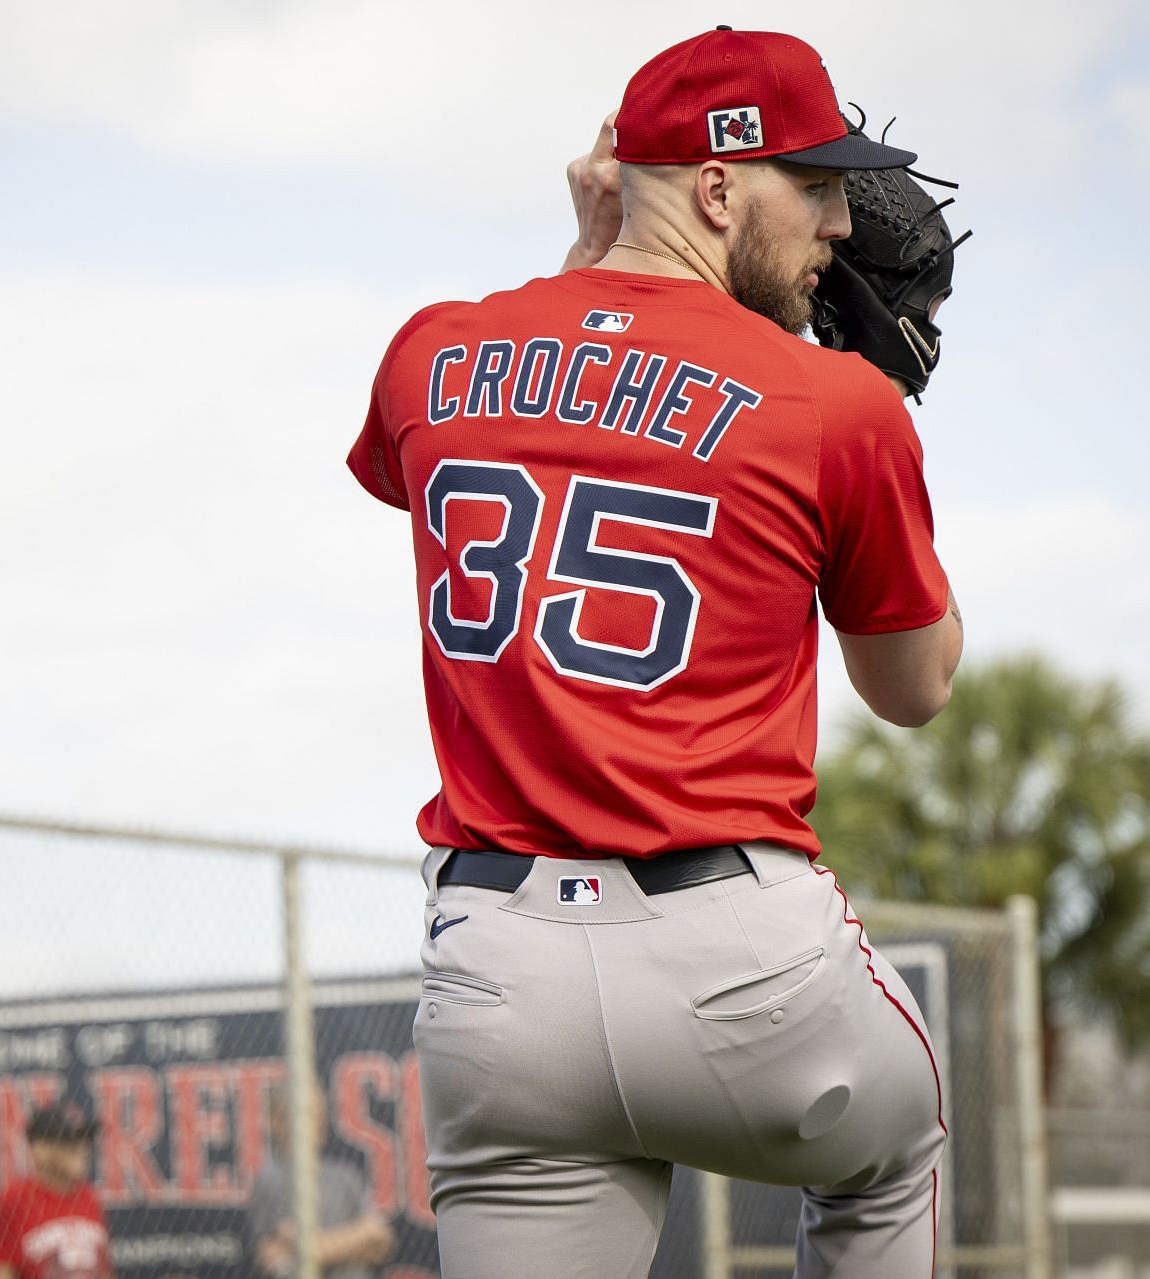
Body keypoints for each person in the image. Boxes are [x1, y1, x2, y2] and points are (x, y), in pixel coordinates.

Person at [344, 27, 963, 1279]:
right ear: (723, 188)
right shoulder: (835, 406)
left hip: (500, 979)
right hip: (741, 969)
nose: (844, 223)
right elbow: (915, 688)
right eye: (821, 185)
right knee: (899, 1143)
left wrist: (593, 252)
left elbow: (519, 414)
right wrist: (881, 418)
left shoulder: (429, 352)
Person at [246, 1086, 394, 1279]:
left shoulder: (345, 1175)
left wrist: (316, 1248)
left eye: (320, 1112)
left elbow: (381, 1240)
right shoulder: (271, 1178)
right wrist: (359, 1240)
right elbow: (274, 1256)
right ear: (276, 1120)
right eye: (307, 1113)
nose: (318, 1121)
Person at [0, 1100, 114, 1279]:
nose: (81, 1148)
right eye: (68, 1140)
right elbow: (0, 1271)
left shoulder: (89, 1196)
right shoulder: (13, 1199)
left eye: (84, 1139)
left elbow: (103, 1271)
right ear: (39, 1149)